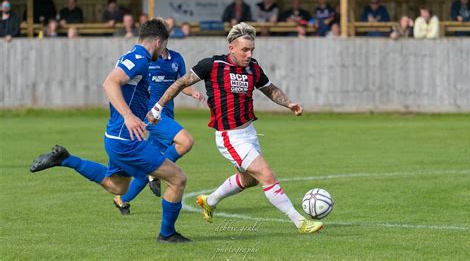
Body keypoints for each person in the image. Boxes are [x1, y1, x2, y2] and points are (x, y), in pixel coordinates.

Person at [147, 22, 324, 234]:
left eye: (252, 50)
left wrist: (288, 103)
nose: (249, 54)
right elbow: (180, 83)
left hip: (249, 134)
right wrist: (158, 107)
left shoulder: (253, 67)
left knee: (249, 179)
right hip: (230, 136)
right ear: (231, 47)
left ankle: (209, 202)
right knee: (267, 175)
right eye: (244, 50)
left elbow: (269, 89)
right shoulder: (212, 65)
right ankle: (300, 222)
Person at [29, 19, 191, 243]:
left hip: (115, 137)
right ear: (158, 42)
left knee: (117, 186)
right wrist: (128, 115)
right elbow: (109, 83)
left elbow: (123, 88)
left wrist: (138, 114)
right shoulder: (141, 59)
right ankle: (167, 234)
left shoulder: (131, 55)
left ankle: (65, 159)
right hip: (127, 140)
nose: (164, 51)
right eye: (164, 46)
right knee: (178, 179)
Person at [113, 46, 205, 215]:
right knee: (186, 141)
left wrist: (192, 93)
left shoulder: (176, 58)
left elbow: (182, 83)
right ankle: (154, 174)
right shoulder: (145, 61)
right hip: (151, 115)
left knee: (147, 167)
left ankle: (122, 199)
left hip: (167, 114)